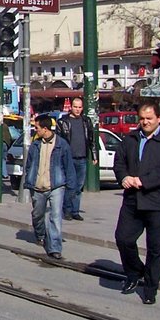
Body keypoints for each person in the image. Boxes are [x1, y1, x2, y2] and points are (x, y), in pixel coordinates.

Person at [113, 101, 160, 306]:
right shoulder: (131, 138)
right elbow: (119, 162)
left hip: (157, 201)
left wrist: (144, 181)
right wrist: (124, 177)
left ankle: (150, 288)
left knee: (155, 247)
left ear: (159, 119)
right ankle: (134, 272)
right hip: (133, 199)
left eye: (149, 118)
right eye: (142, 119)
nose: (145, 122)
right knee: (123, 238)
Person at [23, 115, 76, 259]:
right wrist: (29, 179)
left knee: (56, 216)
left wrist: (72, 188)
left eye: (37, 128)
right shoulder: (35, 145)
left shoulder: (61, 144)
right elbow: (29, 165)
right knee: (37, 214)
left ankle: (55, 248)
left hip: (56, 186)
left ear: (45, 129)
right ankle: (40, 234)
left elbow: (69, 167)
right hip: (38, 186)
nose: (35, 130)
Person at [56, 98, 97, 221]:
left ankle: (75, 210)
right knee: (70, 185)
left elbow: (91, 139)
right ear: (71, 107)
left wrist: (94, 155)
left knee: (79, 186)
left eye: (80, 107)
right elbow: (59, 142)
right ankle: (67, 210)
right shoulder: (63, 122)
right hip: (69, 159)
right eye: (75, 107)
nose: (78, 109)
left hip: (82, 158)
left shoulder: (86, 121)